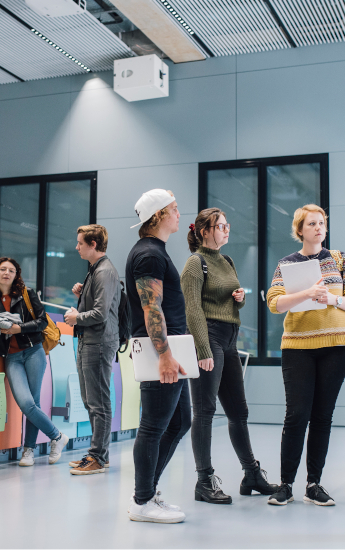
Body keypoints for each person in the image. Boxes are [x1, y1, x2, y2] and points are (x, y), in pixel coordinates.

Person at [265, 204, 345, 507]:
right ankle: (285, 485)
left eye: (322, 223)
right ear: (300, 230)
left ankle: (313, 484)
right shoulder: (286, 263)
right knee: (296, 415)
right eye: (312, 223)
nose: (319, 227)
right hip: (297, 347)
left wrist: (331, 297)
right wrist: (307, 294)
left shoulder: (340, 259)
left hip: (336, 346)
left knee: (322, 416)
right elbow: (275, 303)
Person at [181, 208, 279, 504]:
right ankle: (204, 480)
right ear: (204, 231)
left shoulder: (227, 261)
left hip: (230, 338)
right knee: (205, 411)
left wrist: (240, 298)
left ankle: (251, 474)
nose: (226, 229)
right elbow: (193, 309)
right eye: (220, 226)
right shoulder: (194, 264)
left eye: (227, 225)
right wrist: (202, 349)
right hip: (208, 337)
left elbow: (230, 301)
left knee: (239, 412)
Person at [125, 189, 191, 524]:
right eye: (174, 209)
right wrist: (164, 355)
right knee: (153, 425)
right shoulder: (149, 254)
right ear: (158, 216)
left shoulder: (156, 252)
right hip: (161, 352)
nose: (179, 214)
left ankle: (148, 491)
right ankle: (142, 501)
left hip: (171, 351)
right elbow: (152, 307)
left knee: (180, 421)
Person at [0, 257, 69, 467]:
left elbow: (42, 322)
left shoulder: (27, 294)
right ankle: (57, 436)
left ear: (16, 275)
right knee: (27, 403)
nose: (6, 273)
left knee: (33, 402)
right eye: (2, 269)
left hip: (33, 351)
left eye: (11, 270)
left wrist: (18, 328)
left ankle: (28, 451)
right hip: (11, 357)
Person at [63, 225, 121, 475]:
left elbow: (99, 313)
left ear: (93, 244)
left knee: (98, 402)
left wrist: (77, 316)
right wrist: (82, 292)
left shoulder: (105, 271)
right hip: (90, 341)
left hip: (98, 342)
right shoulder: (95, 270)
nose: (77, 247)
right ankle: (100, 454)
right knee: (90, 400)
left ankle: (97, 456)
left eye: (80, 243)